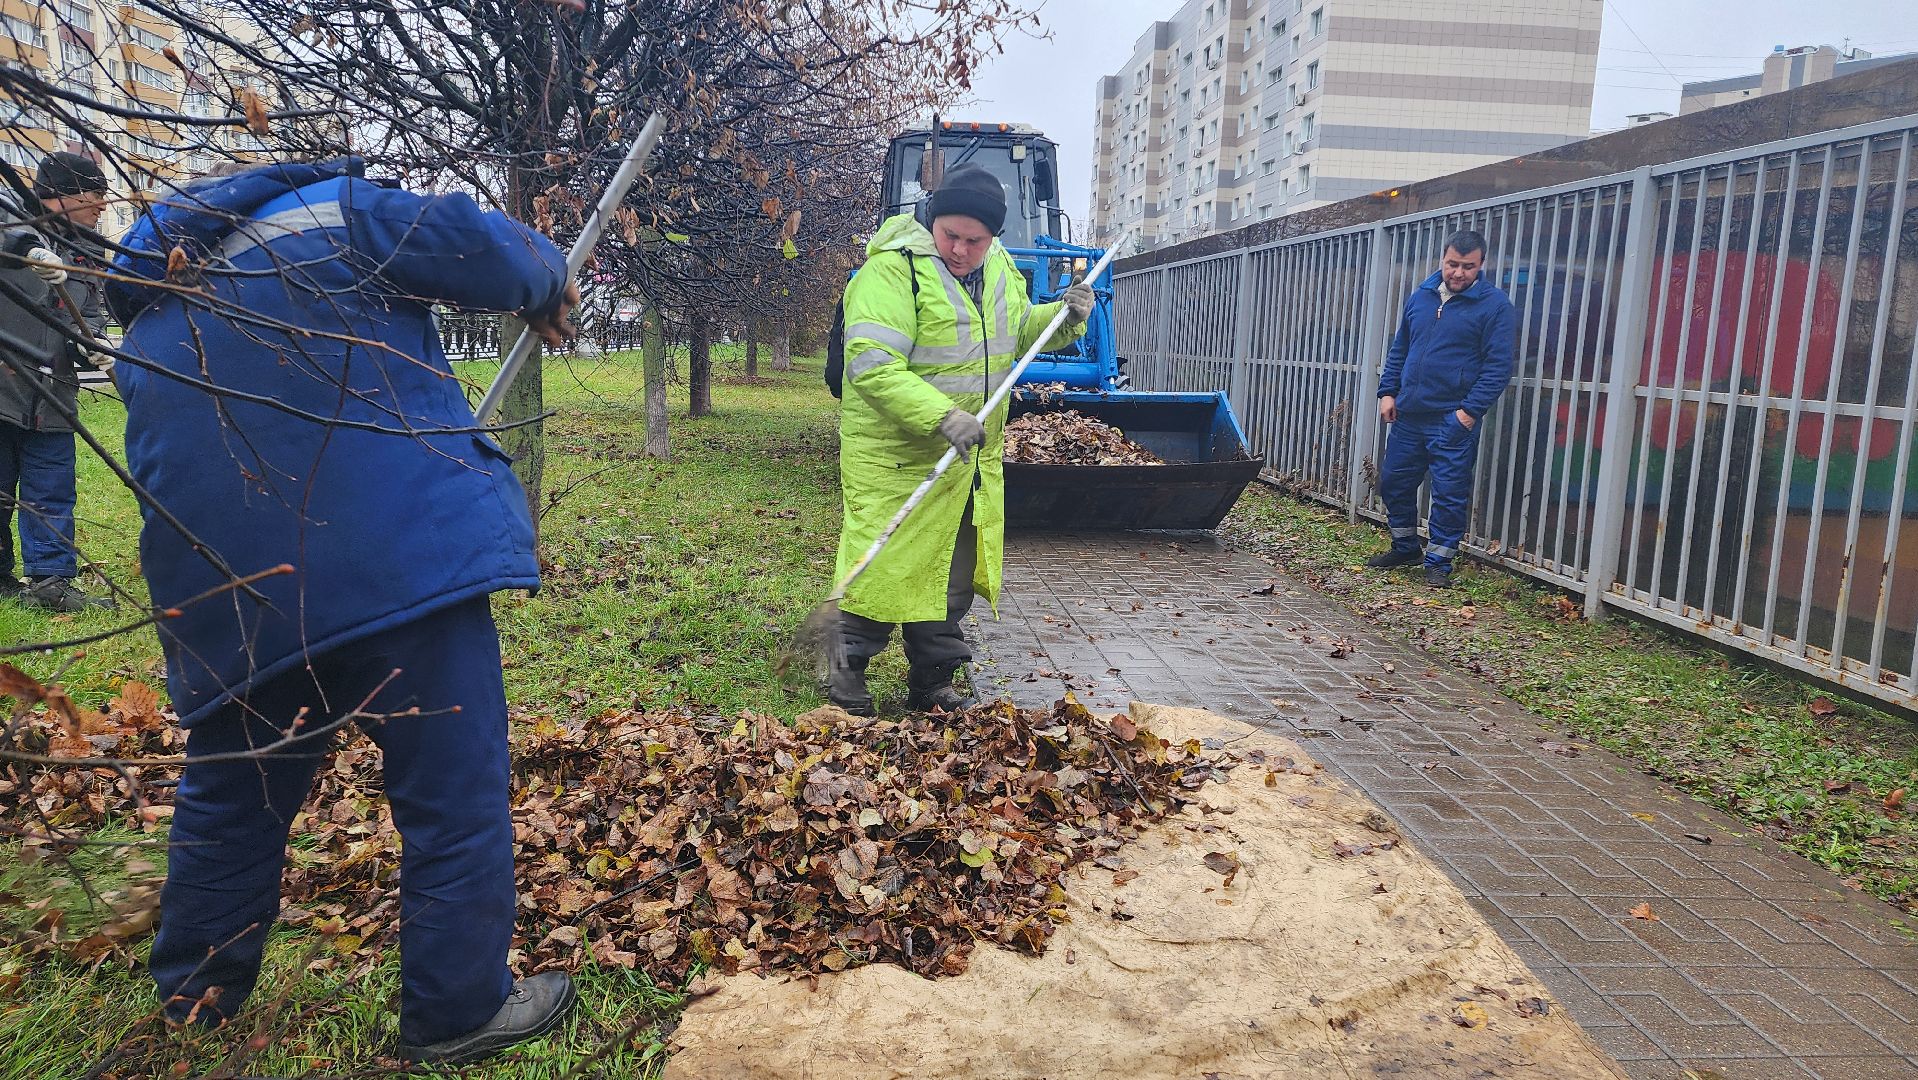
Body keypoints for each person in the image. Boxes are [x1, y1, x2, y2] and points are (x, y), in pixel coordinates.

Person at [106, 157, 581, 1065]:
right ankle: (459, 1009)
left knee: (235, 795)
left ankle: (195, 997)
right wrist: (548, 276)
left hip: (230, 599)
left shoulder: (150, 308)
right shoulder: (332, 214)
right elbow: (477, 245)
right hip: (395, 561)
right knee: (451, 793)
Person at [828, 164, 1093, 715]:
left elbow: (1016, 332)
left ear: (994, 237)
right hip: (897, 456)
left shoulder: (999, 268)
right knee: (885, 563)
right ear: (931, 220)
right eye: (950, 234)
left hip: (969, 458)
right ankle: (847, 671)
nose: (960, 249)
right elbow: (873, 367)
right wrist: (943, 416)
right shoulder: (892, 273)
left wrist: (1063, 318)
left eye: (975, 240)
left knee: (952, 571)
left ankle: (932, 680)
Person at [0, 151, 115, 611]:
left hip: (53, 394)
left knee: (52, 489)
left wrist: (94, 344)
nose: (103, 205)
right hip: (3, 388)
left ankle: (51, 582)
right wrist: (30, 248)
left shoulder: (88, 247)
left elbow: (89, 313)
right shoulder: (11, 216)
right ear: (63, 194)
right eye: (95, 194)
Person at [1369, 229, 1516, 587]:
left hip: (1452, 417)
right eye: (1452, 264)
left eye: (1468, 266)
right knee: (1394, 483)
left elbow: (1497, 367)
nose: (1458, 273)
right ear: (1442, 259)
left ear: (1482, 265)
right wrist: (1388, 392)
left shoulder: (1495, 306)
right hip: (1408, 414)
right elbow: (1400, 347)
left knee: (1448, 493)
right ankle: (1405, 546)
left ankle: (1438, 562)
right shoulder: (1420, 297)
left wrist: (1468, 413)